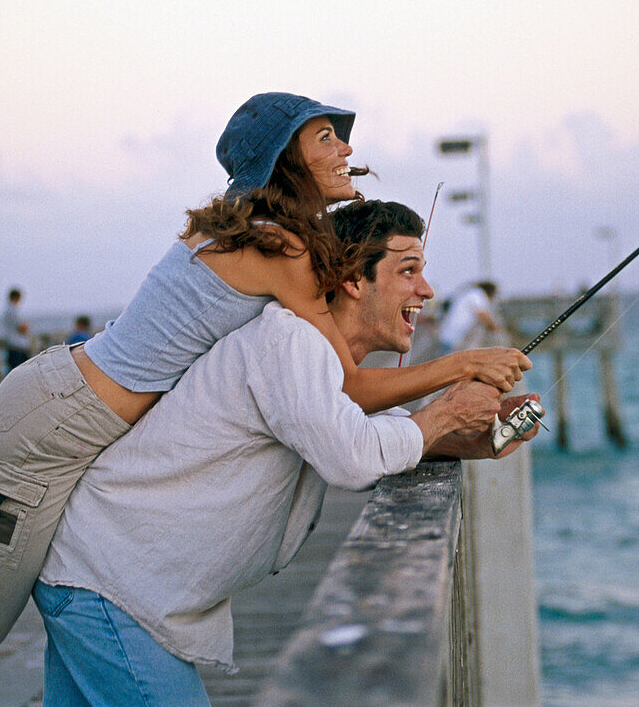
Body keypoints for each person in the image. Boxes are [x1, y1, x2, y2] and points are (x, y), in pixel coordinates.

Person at [0, 93, 530, 653]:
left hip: (71, 407)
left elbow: (333, 392)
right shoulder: (282, 251)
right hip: (53, 426)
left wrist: (448, 415)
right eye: (326, 137)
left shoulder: (273, 238)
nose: (345, 149)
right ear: (290, 159)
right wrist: (457, 369)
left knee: (19, 604)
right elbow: (345, 390)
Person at [35, 199, 540, 704]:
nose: (427, 291)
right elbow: (352, 456)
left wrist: (462, 437)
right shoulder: (291, 340)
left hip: (98, 575)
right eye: (408, 271)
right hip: (108, 584)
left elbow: (344, 429)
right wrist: (445, 414)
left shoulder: (313, 359)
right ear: (352, 280)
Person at [438, 280, 504, 353]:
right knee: (450, 361)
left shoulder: (470, 294)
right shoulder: (478, 295)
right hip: (455, 337)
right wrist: (495, 328)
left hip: (450, 335)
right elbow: (482, 314)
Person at [2, 287, 31, 372]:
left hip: (13, 344)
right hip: (17, 346)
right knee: (20, 371)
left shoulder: (8, 310)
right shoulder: (13, 310)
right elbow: (21, 328)